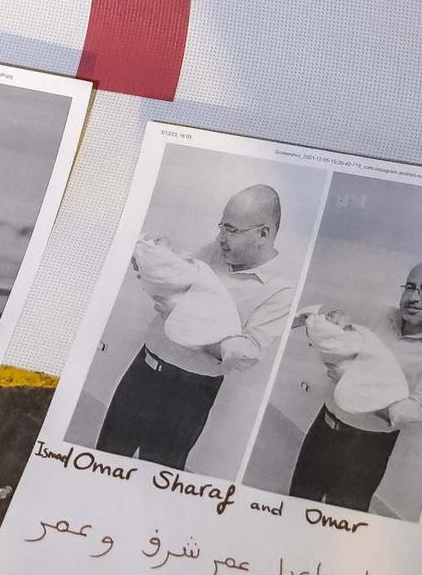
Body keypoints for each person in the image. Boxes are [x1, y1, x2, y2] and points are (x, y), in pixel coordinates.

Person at [94, 184, 295, 469]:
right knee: (104, 458)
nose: (220, 238)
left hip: (191, 396)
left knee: (156, 477)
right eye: (222, 226)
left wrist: (182, 315)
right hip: (143, 373)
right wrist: (152, 263)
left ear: (263, 233)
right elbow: (175, 282)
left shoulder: (281, 291)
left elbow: (245, 354)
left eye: (231, 230)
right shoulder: (213, 250)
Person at [287, 260, 422, 511]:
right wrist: (335, 319)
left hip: (367, 448)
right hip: (323, 427)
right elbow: (334, 322)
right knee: (297, 501)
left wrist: (352, 383)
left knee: (342, 521)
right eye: (410, 287)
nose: (414, 297)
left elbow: (416, 410)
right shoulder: (380, 314)